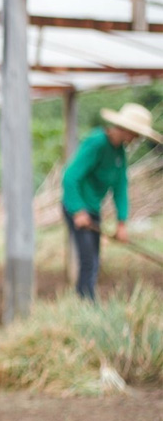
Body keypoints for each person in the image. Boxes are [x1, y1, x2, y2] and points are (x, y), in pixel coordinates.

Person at [62, 102, 162, 301]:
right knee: (88, 259)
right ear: (127, 130)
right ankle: (85, 304)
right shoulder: (97, 143)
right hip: (77, 207)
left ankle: (86, 299)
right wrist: (78, 211)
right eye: (136, 134)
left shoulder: (119, 152)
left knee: (95, 259)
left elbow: (120, 188)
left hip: (92, 208)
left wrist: (122, 222)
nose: (137, 139)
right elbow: (70, 177)